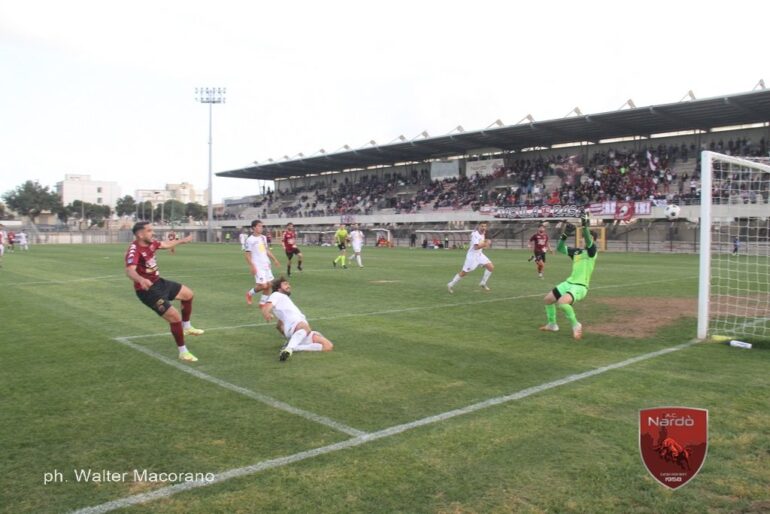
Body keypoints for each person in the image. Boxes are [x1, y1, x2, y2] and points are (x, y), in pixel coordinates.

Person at [125, 222, 204, 362]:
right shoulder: (134, 250)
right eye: (149, 231)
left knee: (188, 294)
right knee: (174, 317)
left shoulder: (151, 243)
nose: (153, 233)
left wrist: (182, 241)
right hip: (147, 290)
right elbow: (130, 270)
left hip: (159, 282)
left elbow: (164, 244)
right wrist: (140, 279)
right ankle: (183, 352)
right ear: (140, 234)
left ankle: (187, 327)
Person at [539, 213, 597, 340]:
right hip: (569, 282)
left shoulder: (592, 252)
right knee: (548, 299)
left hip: (580, 286)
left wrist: (585, 226)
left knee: (562, 302)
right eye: (582, 237)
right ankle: (552, 324)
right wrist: (565, 234)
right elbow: (560, 248)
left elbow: (588, 239)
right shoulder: (576, 252)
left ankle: (576, 325)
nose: (583, 239)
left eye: (587, 238)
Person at [261, 276, 334, 362]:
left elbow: (279, 325)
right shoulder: (276, 294)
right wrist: (267, 313)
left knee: (328, 346)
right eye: (285, 284)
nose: (289, 286)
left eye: (288, 284)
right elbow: (267, 306)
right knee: (304, 327)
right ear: (278, 288)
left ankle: (295, 347)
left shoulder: (284, 300)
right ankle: (289, 348)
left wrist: (286, 335)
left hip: (301, 332)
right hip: (298, 326)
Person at [447, 221, 494, 293]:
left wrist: (485, 243)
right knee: (464, 272)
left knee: (490, 267)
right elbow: (476, 247)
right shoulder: (475, 234)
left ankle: (483, 283)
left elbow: (482, 243)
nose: (484, 228)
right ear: (478, 226)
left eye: (485, 226)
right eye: (482, 226)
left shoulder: (483, 233)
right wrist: (486, 244)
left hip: (479, 255)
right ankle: (451, 284)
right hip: (472, 256)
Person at [243, 219, 281, 306]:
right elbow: (247, 255)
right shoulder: (250, 240)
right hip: (257, 265)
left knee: (269, 285)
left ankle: (262, 303)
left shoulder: (263, 238)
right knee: (263, 285)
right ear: (254, 228)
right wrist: (252, 266)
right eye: (259, 226)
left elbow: (266, 250)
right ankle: (249, 294)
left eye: (262, 226)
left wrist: (274, 259)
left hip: (266, 264)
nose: (261, 228)